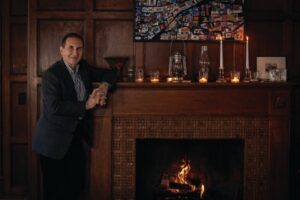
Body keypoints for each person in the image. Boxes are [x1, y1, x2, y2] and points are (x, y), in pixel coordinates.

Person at [32, 32, 116, 200]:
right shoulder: (52, 75)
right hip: (52, 141)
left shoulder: (83, 67)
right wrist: (86, 105)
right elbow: (54, 107)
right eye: (70, 48)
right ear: (61, 50)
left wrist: (104, 86)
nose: (74, 53)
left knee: (77, 185)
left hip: (76, 137)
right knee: (54, 191)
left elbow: (110, 74)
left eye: (79, 49)